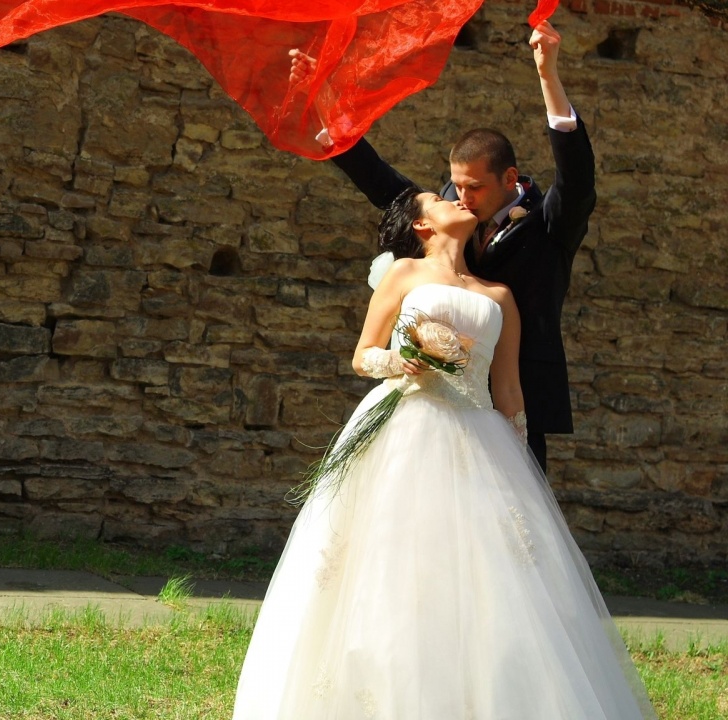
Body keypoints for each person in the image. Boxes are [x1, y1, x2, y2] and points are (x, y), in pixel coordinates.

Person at [231, 188, 655, 720]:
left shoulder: (499, 295)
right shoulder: (404, 274)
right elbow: (363, 354)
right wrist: (398, 362)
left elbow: (510, 390)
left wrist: (522, 468)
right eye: (439, 198)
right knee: (390, 558)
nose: (455, 198)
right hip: (403, 425)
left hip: (480, 439)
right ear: (422, 226)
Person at [294, 20, 594, 471]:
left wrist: (548, 76)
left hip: (518, 393)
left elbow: (577, 181)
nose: (461, 198)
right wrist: (323, 101)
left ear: (509, 180)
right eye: (453, 187)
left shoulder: (550, 224)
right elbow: (379, 180)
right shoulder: (446, 213)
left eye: (472, 188)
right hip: (435, 401)